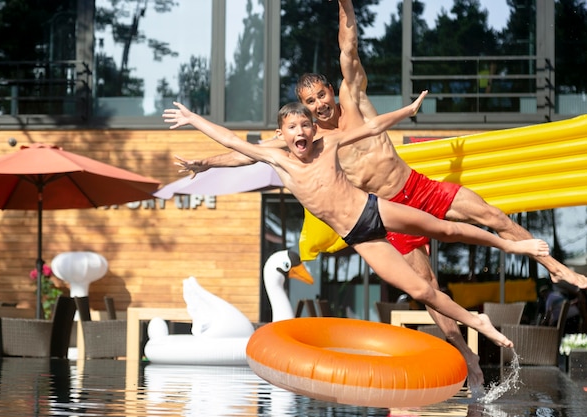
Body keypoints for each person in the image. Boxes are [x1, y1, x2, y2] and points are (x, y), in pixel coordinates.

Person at [173, 0, 587, 389]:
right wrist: (204, 163)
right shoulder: (306, 139)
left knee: (489, 215)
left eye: (321, 96)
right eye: (309, 102)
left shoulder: (353, 98)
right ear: (301, 110)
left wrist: (345, 5)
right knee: (427, 289)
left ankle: (553, 266)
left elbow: (348, 46)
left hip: (412, 187)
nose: (318, 105)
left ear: (331, 92)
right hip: (383, 215)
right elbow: (241, 153)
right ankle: (465, 354)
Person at [163, 96, 552, 351]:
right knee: (421, 289)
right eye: (292, 129)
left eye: (305, 126)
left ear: (313, 129)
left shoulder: (327, 144)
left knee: (446, 228)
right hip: (358, 236)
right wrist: (194, 122)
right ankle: (477, 322)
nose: (300, 133)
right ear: (280, 136)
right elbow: (231, 143)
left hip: (374, 209)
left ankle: (512, 244)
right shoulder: (276, 160)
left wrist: (407, 112)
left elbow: (371, 127)